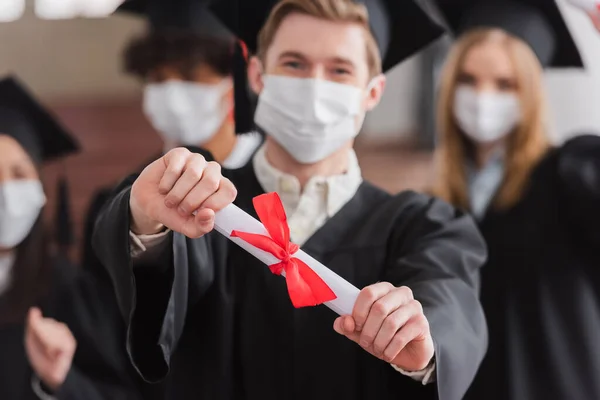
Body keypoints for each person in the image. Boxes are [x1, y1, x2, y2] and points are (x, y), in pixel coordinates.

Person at [93, 1, 488, 399]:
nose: (315, 85)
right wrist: (145, 221)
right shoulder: (203, 205)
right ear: (257, 75)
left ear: (372, 92)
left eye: (339, 70)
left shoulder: (422, 225)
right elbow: (153, 302)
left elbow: (447, 299)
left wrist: (421, 337)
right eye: (295, 64)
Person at [431, 1, 600, 399]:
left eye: (505, 84)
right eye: (468, 79)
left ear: (531, 91)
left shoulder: (573, 174)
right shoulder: (436, 202)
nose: (482, 97)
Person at [82, 0, 262, 278]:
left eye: (190, 75)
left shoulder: (275, 175)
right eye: (158, 78)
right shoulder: (129, 197)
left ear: (235, 79)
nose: (172, 92)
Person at [0, 75, 141, 400]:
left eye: (19, 174)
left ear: (40, 188)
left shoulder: (71, 291)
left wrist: (58, 381)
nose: (6, 190)